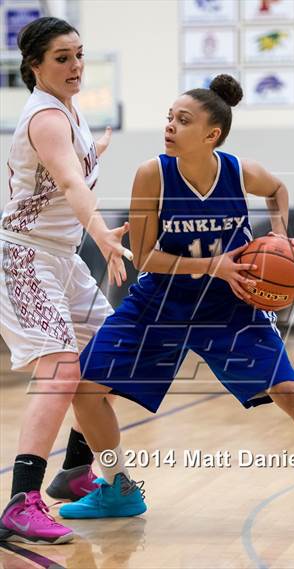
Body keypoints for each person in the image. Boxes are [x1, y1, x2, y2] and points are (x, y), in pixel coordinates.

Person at [59, 75, 294, 534]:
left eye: (183, 120)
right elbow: (146, 256)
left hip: (231, 304)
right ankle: (118, 487)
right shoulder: (152, 173)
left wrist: (277, 233)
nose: (170, 127)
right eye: (169, 118)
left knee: (291, 394)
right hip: (161, 301)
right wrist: (212, 264)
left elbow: (277, 188)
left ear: (211, 134)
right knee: (86, 389)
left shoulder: (238, 171)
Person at [0, 17, 138, 545]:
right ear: (35, 65)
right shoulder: (46, 117)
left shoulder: (70, 112)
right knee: (61, 371)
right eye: (62, 58)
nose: (75, 66)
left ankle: (76, 471)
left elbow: (72, 166)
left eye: (79, 55)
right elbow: (70, 181)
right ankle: (22, 500)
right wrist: (102, 234)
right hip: (25, 257)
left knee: (111, 355)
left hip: (61, 258)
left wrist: (96, 148)